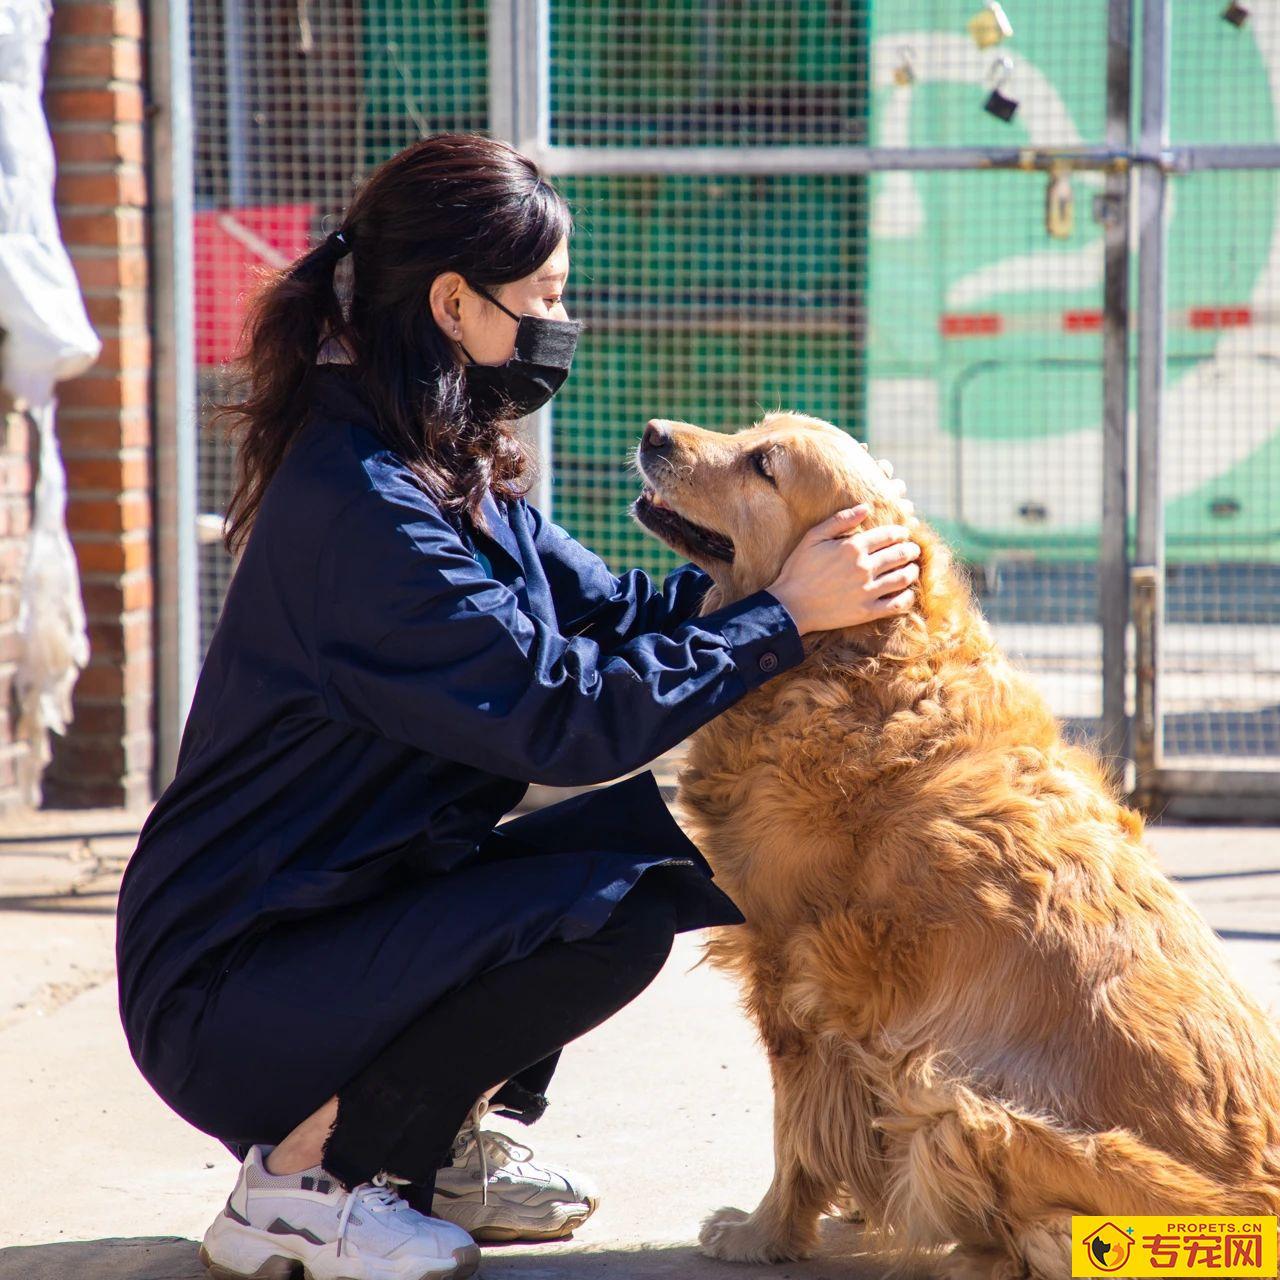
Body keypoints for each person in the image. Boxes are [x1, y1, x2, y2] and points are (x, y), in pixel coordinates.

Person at [115, 132, 922, 1280]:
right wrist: (779, 621)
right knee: (611, 902)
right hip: (234, 982)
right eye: (542, 294)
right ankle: (308, 1180)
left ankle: (425, 1144)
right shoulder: (363, 509)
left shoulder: (431, 461)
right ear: (454, 302)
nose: (560, 318)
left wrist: (790, 591)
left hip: (330, 913)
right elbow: (563, 713)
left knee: (627, 856)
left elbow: (605, 614)